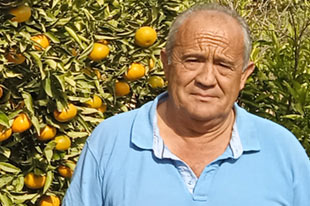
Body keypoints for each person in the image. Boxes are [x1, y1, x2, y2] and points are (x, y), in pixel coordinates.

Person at [62, 3, 310, 206]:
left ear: (244, 75)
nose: (206, 79)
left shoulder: (282, 150)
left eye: (223, 65)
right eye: (193, 60)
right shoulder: (112, 141)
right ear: (166, 63)